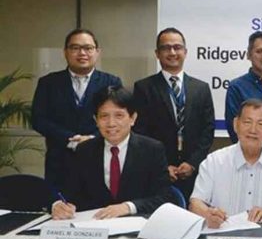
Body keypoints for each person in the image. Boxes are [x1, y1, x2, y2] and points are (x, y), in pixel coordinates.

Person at [51, 86, 172, 220]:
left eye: (119, 116)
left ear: (133, 118)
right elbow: (69, 195)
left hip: (136, 228)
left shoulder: (152, 149)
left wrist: (128, 207)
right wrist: (59, 206)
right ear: (96, 120)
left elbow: (164, 197)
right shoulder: (84, 150)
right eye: (104, 116)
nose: (111, 123)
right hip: (95, 229)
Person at [32, 28, 122, 190]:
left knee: (99, 209)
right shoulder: (48, 83)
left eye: (88, 48)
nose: (82, 53)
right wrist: (71, 139)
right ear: (65, 52)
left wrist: (92, 138)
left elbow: (118, 120)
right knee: (61, 210)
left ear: (97, 52)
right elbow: (38, 120)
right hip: (59, 161)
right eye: (75, 48)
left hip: (99, 159)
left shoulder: (111, 82)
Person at [190, 99, 262, 228]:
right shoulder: (214, 162)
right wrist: (207, 214)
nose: (253, 130)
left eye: (260, 124)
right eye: (247, 122)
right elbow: (195, 203)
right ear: (236, 124)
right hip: (220, 238)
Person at [133, 27, 214, 200]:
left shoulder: (201, 88)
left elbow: (207, 131)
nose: (172, 52)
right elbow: (140, 132)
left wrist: (193, 163)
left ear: (185, 52)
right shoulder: (144, 88)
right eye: (166, 48)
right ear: (157, 53)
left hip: (193, 173)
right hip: (157, 172)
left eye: (177, 47)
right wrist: (162, 166)